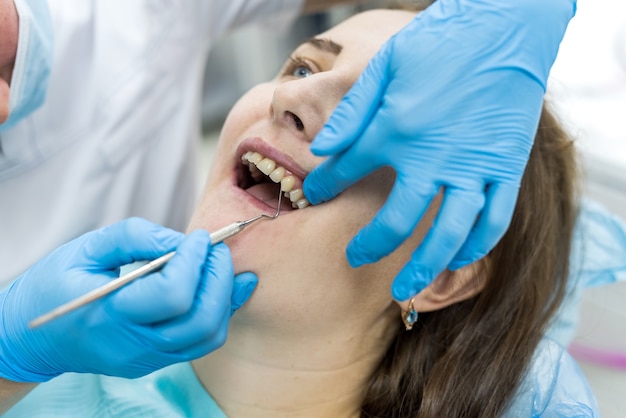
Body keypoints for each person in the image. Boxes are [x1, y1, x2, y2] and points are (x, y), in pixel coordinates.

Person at [3, 8, 598, 416]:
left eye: (379, 113)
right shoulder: (42, 381)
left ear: (442, 270)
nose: (293, 96)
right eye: (304, 68)